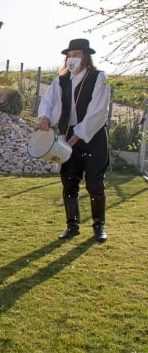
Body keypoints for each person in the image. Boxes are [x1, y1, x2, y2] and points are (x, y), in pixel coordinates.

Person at [37, 38, 111, 243]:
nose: (72, 59)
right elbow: (48, 102)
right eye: (69, 55)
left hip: (92, 137)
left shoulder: (100, 78)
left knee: (95, 183)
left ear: (86, 56)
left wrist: (79, 134)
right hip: (67, 138)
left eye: (76, 55)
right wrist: (44, 117)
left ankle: (99, 226)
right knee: (69, 182)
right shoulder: (60, 81)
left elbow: (99, 111)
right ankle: (72, 226)